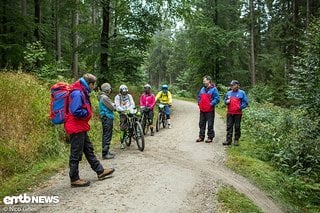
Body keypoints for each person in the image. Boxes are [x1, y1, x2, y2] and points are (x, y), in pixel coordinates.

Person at [64, 73, 115, 187]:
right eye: (94, 84)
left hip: (80, 126)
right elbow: (75, 110)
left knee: (88, 150)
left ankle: (100, 171)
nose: (94, 87)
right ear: (90, 83)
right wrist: (87, 113)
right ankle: (74, 178)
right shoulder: (77, 93)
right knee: (75, 153)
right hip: (76, 127)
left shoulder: (81, 91)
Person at [223, 80, 248, 146]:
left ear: (237, 85)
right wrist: (226, 102)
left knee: (237, 127)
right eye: (231, 85)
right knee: (229, 126)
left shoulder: (242, 93)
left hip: (238, 113)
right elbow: (225, 101)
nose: (232, 86)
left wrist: (240, 107)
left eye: (233, 85)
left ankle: (236, 140)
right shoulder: (228, 93)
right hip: (230, 113)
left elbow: (245, 102)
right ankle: (228, 140)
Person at [196, 75, 220, 143]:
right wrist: (199, 103)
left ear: (209, 81)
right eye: (203, 80)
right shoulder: (202, 89)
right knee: (201, 123)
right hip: (202, 109)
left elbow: (217, 99)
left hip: (210, 110)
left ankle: (210, 137)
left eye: (205, 80)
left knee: (210, 124)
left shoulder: (214, 89)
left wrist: (211, 104)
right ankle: (201, 137)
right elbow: (199, 97)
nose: (203, 82)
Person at [114, 84, 135, 149]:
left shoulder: (129, 96)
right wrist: (123, 110)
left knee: (136, 118)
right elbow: (117, 106)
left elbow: (132, 103)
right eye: (123, 92)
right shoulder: (117, 97)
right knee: (122, 127)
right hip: (122, 113)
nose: (124, 93)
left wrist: (130, 108)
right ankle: (122, 142)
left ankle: (137, 130)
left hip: (130, 111)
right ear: (120, 91)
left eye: (125, 92)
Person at [99, 83, 116, 159]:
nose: (110, 90)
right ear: (107, 90)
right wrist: (114, 105)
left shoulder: (103, 97)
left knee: (106, 134)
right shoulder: (104, 98)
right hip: (107, 117)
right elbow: (112, 107)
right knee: (107, 135)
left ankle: (106, 151)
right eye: (109, 88)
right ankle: (105, 154)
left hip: (106, 117)